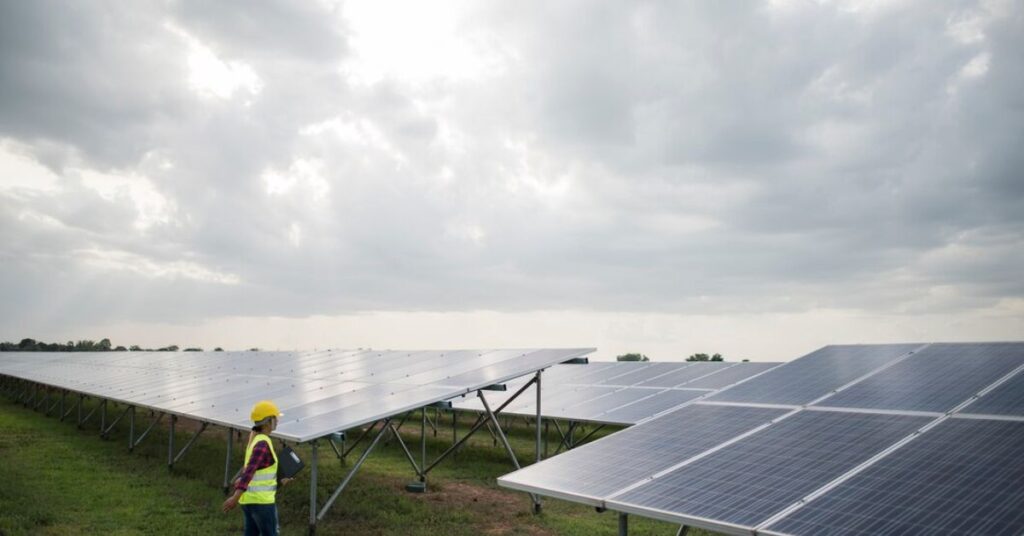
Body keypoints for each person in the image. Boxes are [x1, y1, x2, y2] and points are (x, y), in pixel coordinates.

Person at [222, 400, 293, 535]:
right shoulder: (262, 444)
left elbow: (257, 472)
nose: (277, 421)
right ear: (267, 421)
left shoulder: (256, 439)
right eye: (275, 418)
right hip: (261, 504)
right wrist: (234, 498)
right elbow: (249, 472)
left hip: (251, 501)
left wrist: (281, 481)